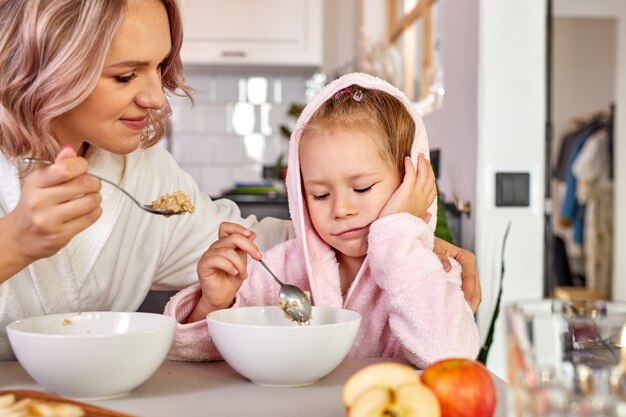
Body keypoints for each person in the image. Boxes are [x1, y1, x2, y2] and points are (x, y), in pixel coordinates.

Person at [0, 0, 479, 361]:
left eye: (159, 67)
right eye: (126, 76)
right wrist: (13, 245)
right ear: (49, 65)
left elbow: (257, 250)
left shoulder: (145, 176)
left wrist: (400, 236)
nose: (155, 97)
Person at [166, 73, 480, 367]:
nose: (341, 209)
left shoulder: (429, 270)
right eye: (320, 195)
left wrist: (399, 238)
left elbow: (450, 357)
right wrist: (213, 304)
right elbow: (193, 350)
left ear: (410, 181)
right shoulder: (284, 270)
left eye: (362, 188)